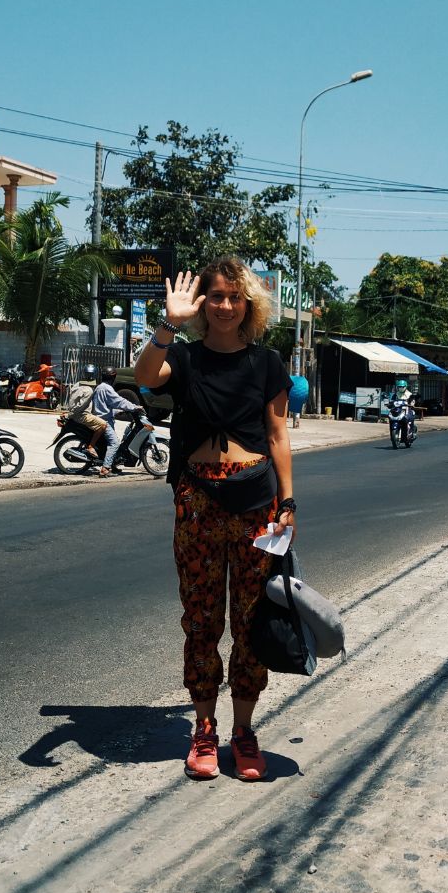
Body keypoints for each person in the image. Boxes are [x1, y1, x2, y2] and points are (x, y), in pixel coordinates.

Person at [135, 258, 293, 783]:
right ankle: (204, 729)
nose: (225, 305)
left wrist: (289, 503)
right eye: (216, 296)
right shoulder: (182, 356)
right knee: (201, 620)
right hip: (197, 500)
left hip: (256, 503)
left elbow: (277, 436)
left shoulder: (268, 362)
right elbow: (145, 378)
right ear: (202, 303)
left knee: (251, 621)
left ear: (249, 303)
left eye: (234, 296)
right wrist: (169, 323)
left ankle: (244, 731)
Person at [91, 366, 142, 476]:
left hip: (102, 418)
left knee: (112, 442)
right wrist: (134, 407)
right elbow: (119, 401)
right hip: (104, 421)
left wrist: (116, 412)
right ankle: (105, 469)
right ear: (113, 377)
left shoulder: (100, 387)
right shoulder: (107, 389)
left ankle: (112, 464)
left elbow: (104, 406)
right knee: (114, 443)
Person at [65, 365, 107, 460]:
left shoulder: (77, 384)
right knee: (103, 425)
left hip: (76, 413)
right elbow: (80, 406)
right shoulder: (89, 390)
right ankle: (91, 446)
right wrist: (70, 415)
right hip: (82, 415)